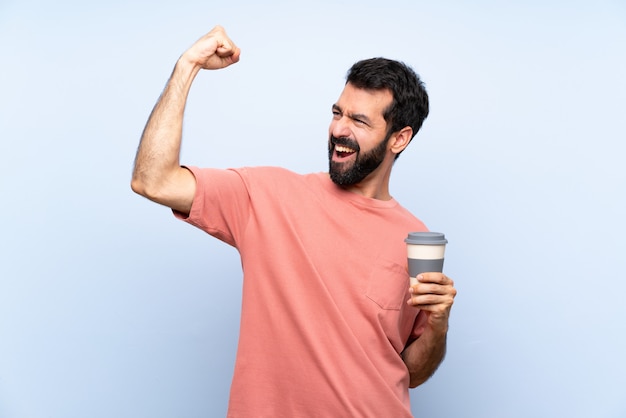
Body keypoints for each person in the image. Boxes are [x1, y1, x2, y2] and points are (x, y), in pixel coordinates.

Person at [131, 25, 457, 417]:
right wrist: (187, 67)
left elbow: (410, 371)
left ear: (399, 138)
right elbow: (153, 180)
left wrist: (438, 324)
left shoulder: (414, 238)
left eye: (359, 121)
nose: (339, 129)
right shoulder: (267, 196)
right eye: (337, 113)